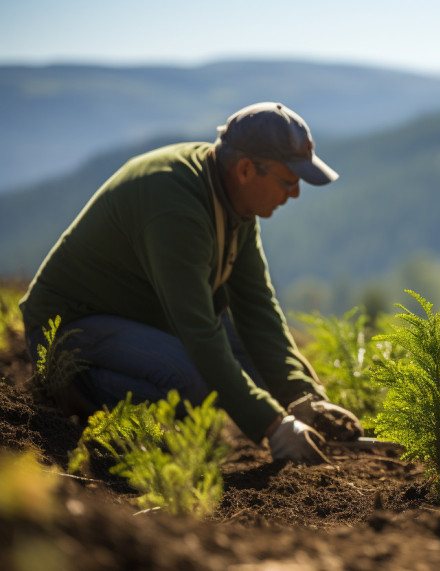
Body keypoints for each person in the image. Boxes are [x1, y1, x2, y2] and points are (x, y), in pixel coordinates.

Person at [19, 102, 362, 463]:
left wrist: (305, 398)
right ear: (246, 169)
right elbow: (199, 331)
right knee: (192, 381)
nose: (294, 194)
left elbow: (257, 310)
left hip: (137, 315)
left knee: (246, 354)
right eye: (289, 181)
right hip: (67, 329)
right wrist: (273, 426)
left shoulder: (234, 201)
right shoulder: (175, 207)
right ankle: (69, 390)